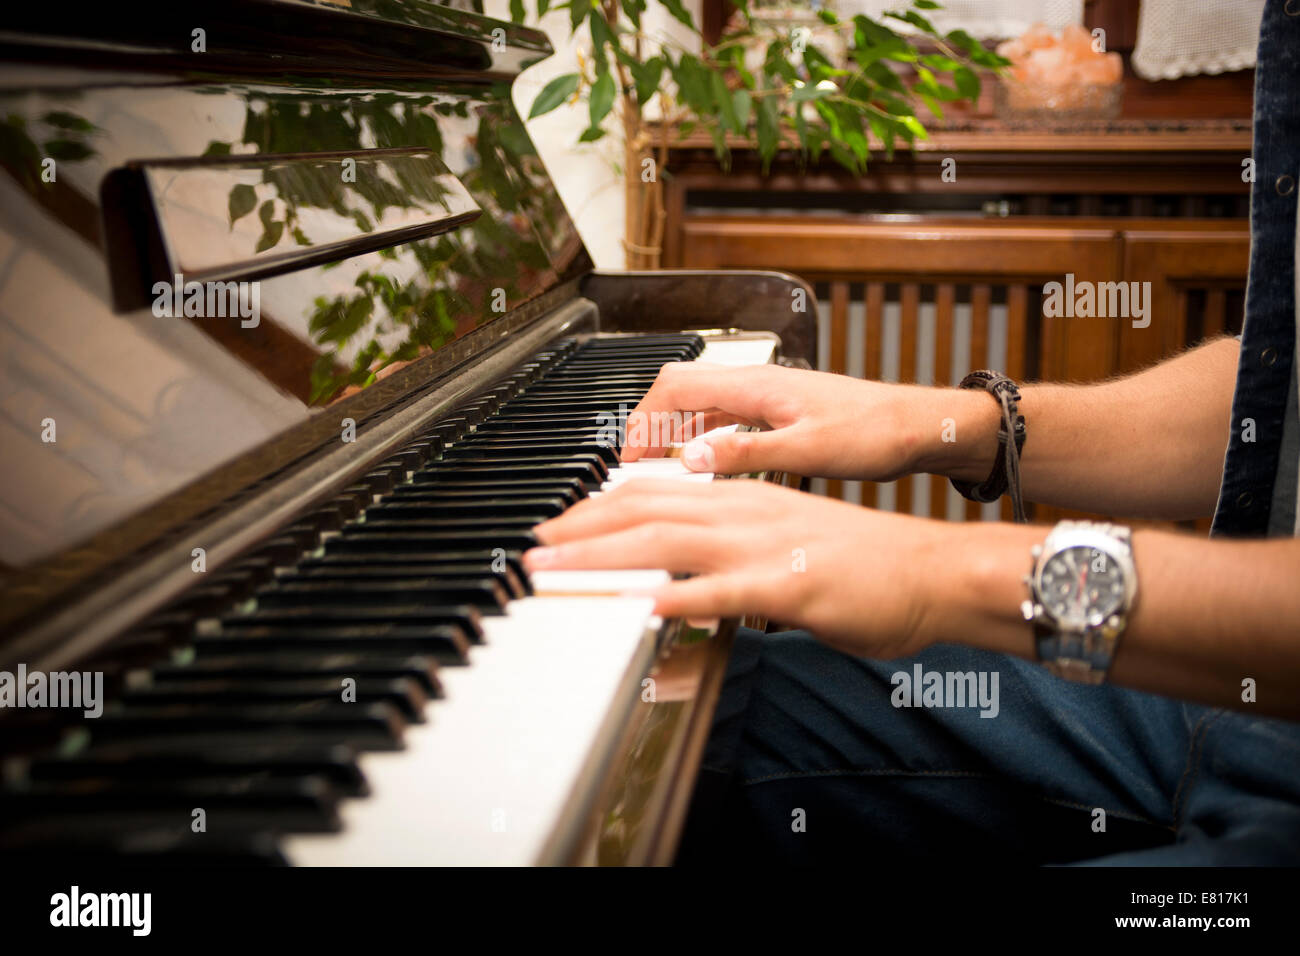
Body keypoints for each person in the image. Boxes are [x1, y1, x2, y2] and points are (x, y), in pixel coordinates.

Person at [523, 0, 1300, 865]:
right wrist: (938, 423)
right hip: (1232, 699)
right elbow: (1281, 395)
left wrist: (934, 571)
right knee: (677, 709)